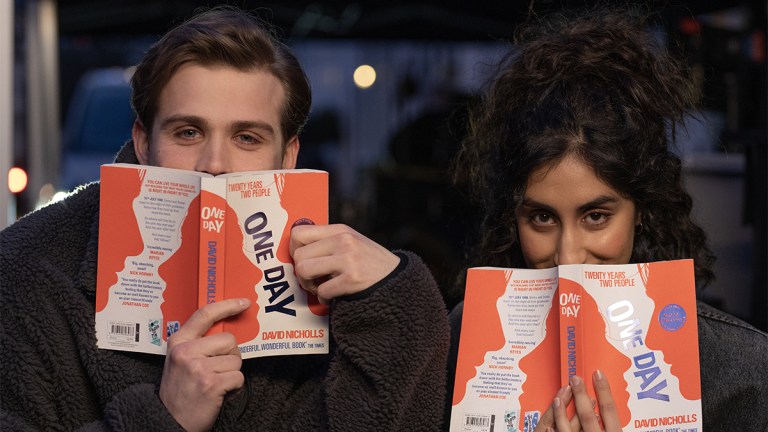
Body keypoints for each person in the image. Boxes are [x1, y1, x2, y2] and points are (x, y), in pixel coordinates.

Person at [0, 7, 449, 431]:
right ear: (142, 141)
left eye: (247, 137)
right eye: (188, 132)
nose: (215, 163)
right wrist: (162, 417)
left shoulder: (341, 279)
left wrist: (396, 299)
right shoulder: (27, 268)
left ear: (288, 156)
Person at [445, 7, 768, 432]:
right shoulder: (460, 342)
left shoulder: (740, 371)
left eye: (596, 216)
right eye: (541, 217)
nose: (569, 256)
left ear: (642, 210)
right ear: (511, 217)